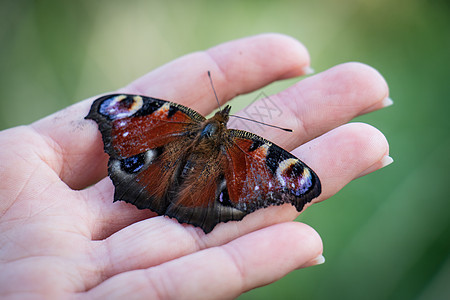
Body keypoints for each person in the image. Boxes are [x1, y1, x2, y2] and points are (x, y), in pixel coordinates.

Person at [0, 33, 392, 299]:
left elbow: (295, 177)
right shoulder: (248, 147)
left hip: (157, 168)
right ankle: (185, 195)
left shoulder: (176, 119)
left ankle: (170, 189)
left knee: (166, 166)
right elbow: (116, 108)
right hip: (195, 189)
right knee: (230, 177)